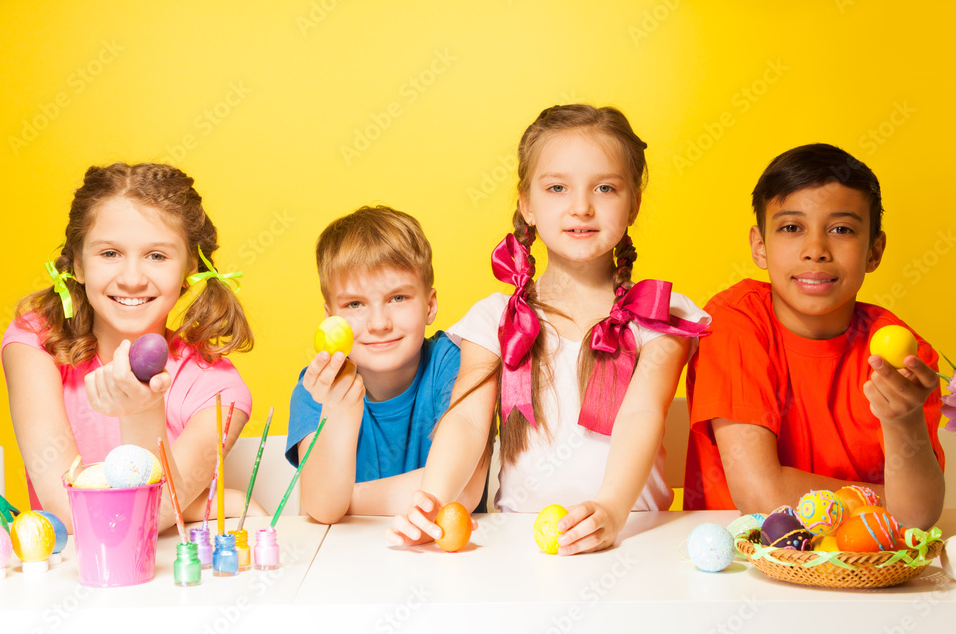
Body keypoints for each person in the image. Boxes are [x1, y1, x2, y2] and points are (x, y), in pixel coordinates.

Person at [389, 104, 710, 554]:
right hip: (518, 546)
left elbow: (643, 413)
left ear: (634, 202)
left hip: (635, 541)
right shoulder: (495, 317)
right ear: (527, 205)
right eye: (557, 187)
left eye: (604, 187)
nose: (581, 207)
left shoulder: (659, 314)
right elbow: (465, 418)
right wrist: (433, 500)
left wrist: (611, 509)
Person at [683, 144, 945, 529]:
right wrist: (887, 506)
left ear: (874, 251)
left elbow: (919, 517)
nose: (816, 250)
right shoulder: (736, 320)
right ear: (760, 246)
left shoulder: (905, 359)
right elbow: (761, 496)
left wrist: (903, 419)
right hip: (745, 571)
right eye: (792, 228)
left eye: (841, 229)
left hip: (864, 569)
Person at [2, 163, 262, 532]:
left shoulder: (218, 389)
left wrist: (142, 412)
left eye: (157, 255)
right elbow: (67, 512)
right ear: (76, 263)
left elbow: (149, 520)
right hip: (71, 580)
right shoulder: (36, 343)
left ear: (190, 268)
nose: (132, 279)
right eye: (110, 253)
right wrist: (215, 504)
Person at [287, 206, 474, 524]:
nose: (378, 323)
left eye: (398, 298)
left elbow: (462, 493)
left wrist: (348, 500)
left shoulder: (455, 364)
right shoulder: (316, 388)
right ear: (330, 318)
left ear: (429, 306)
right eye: (355, 304)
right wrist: (339, 411)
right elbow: (321, 507)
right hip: (353, 562)